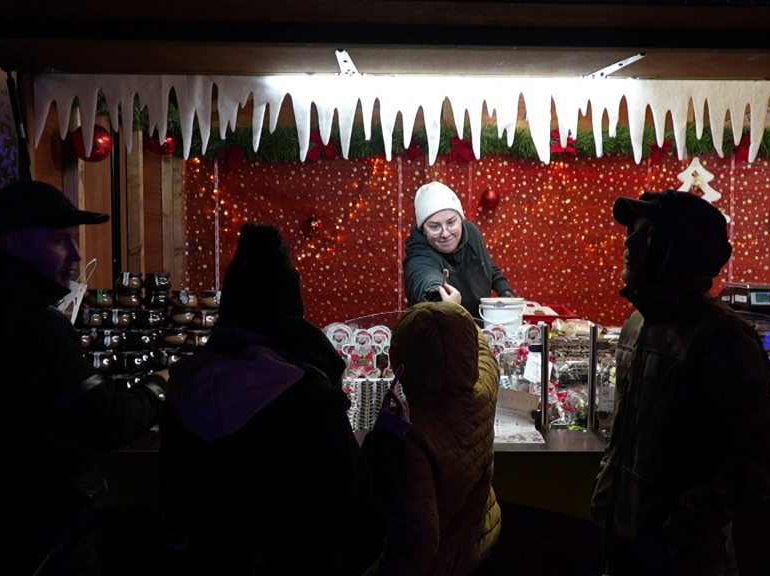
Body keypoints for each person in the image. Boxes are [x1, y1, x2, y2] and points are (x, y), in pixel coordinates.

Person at [0, 180, 166, 575]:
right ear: (13, 243)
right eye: (60, 241)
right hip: (37, 536)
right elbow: (106, 421)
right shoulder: (26, 320)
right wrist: (161, 385)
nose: (77, 254)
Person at [158, 223, 380, 576]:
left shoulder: (184, 388)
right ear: (293, 305)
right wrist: (388, 440)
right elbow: (356, 523)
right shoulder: (311, 399)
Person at [589, 190, 770, 575]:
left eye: (647, 233)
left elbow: (756, 465)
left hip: (689, 561)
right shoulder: (637, 325)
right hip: (624, 549)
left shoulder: (723, 339)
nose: (628, 242)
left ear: (678, 249)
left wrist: (672, 532)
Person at [362, 301, 502, 576]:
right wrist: (457, 314)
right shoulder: (484, 389)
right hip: (481, 539)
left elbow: (415, 545)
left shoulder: (415, 438)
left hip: (443, 564)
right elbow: (483, 353)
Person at [403, 181, 516, 321]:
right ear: (423, 230)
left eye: (451, 223)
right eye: (434, 227)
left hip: (480, 328)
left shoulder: (471, 232)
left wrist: (504, 290)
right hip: (439, 334)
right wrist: (439, 295)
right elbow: (423, 276)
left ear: (460, 220)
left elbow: (487, 265)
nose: (445, 233)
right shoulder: (419, 255)